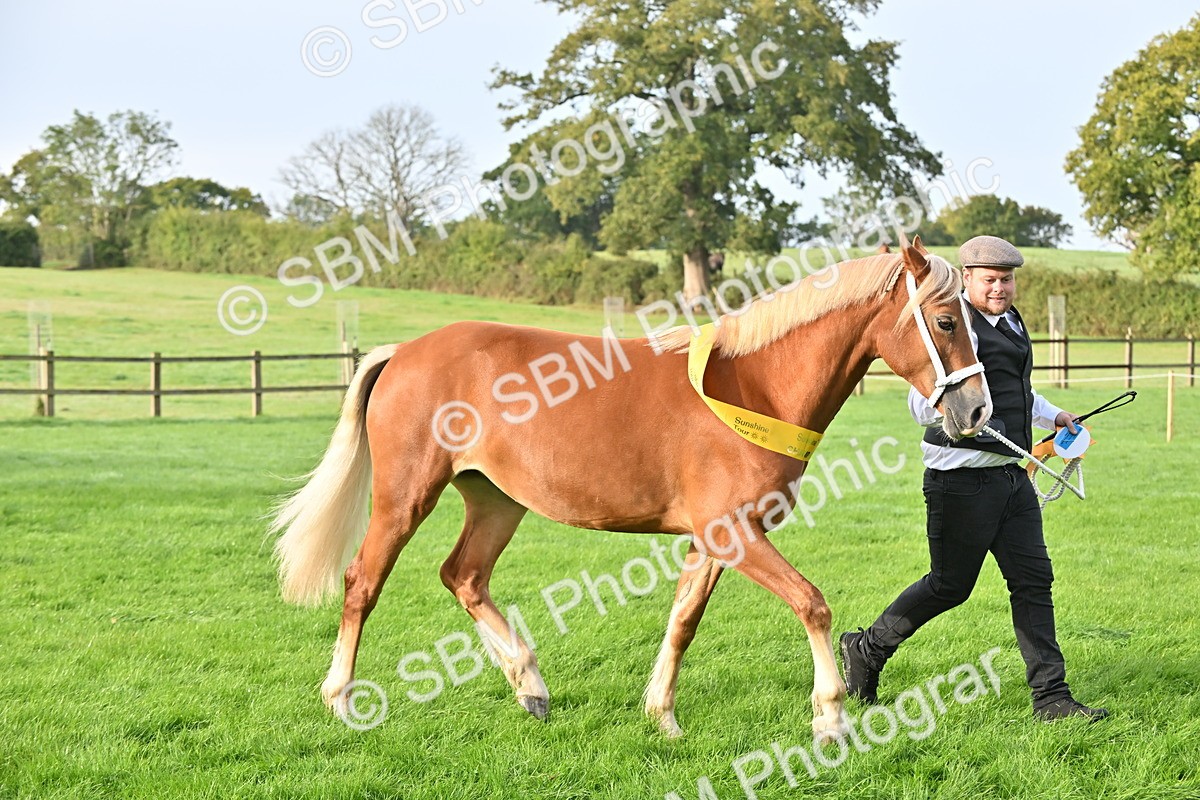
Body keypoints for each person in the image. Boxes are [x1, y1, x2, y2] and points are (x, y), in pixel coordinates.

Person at [840, 235, 1109, 722]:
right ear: (967, 278)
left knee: (1033, 582)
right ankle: (867, 648)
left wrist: (1055, 417)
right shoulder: (947, 323)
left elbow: (1017, 389)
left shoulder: (1011, 321)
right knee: (949, 586)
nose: (1000, 288)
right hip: (959, 480)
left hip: (1011, 478)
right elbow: (921, 402)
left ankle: (1051, 699)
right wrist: (958, 415)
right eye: (989, 280)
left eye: (1006, 279)